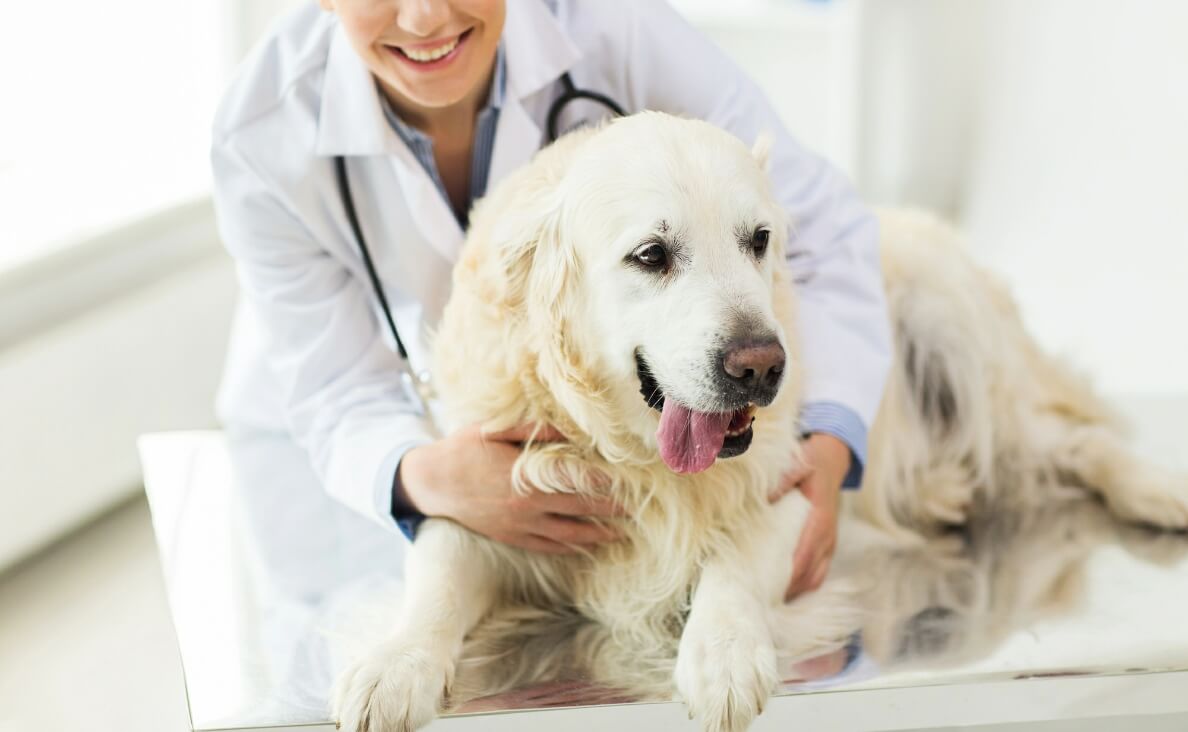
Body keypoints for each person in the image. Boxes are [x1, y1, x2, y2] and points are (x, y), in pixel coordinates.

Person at [211, 0, 891, 600]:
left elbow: (816, 230)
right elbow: (334, 385)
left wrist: (825, 446)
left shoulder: (615, 28)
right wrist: (417, 474)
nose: (426, 18)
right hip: (325, 448)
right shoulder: (260, 130)